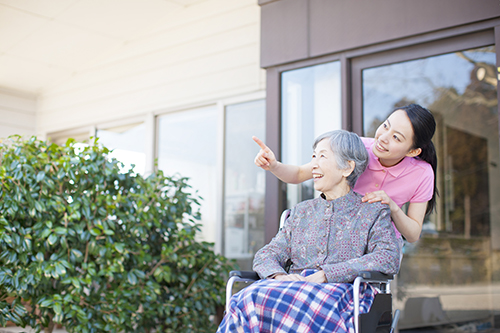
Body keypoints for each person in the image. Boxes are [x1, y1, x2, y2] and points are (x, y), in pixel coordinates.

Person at [217, 130, 401, 333]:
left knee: (302, 304)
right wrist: (279, 277)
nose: (313, 164)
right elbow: (266, 255)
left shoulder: (371, 211)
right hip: (290, 291)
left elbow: (388, 257)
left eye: (322, 156)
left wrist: (327, 274)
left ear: (347, 168)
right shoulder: (300, 212)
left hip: (342, 294)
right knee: (245, 298)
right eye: (314, 156)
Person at [253, 104, 437, 243]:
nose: (383, 137)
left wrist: (393, 207)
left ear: (412, 152)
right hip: (337, 236)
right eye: (386, 126)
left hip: (380, 243)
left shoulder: (422, 174)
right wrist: (274, 165)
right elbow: (300, 173)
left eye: (396, 137)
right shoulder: (357, 148)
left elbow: (412, 234)